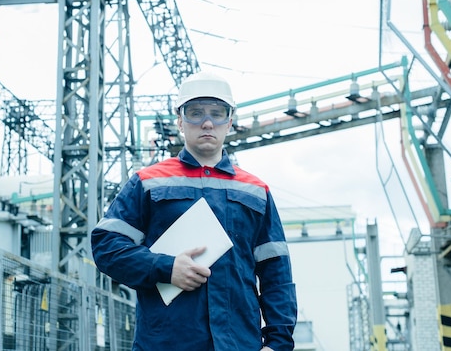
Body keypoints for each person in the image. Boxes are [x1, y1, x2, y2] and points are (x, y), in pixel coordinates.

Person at [91, 72, 297, 351]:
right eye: (195, 113)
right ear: (180, 121)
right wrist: (165, 267)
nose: (207, 122)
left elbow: (277, 274)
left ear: (230, 121)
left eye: (217, 113)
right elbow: (107, 246)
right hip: (165, 344)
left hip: (239, 344)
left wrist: (278, 343)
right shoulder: (147, 182)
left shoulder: (255, 191)